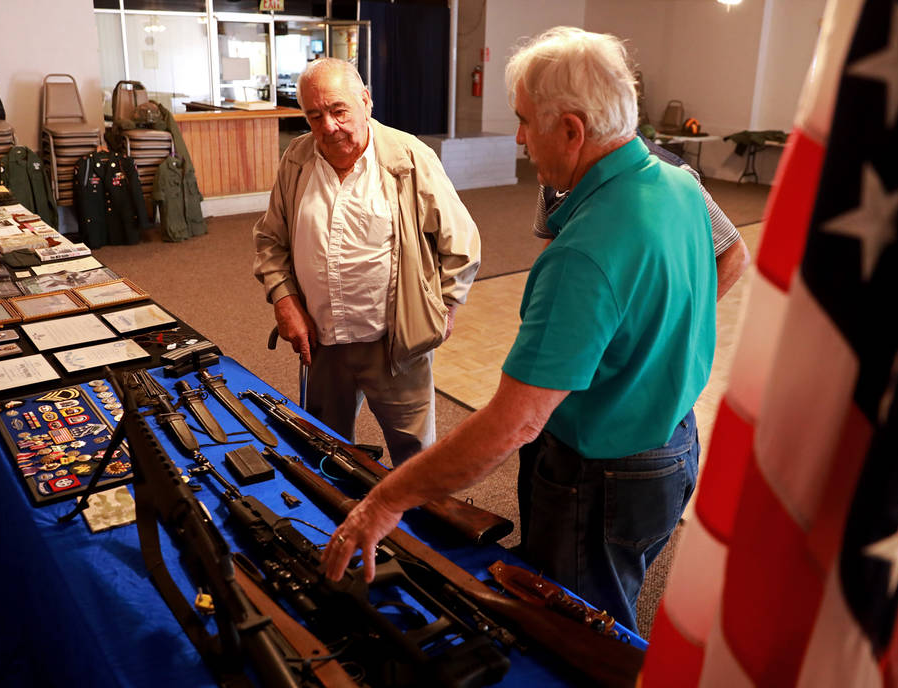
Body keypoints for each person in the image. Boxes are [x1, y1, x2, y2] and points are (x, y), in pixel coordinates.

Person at [321, 27, 718, 634]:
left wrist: (385, 500)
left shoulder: (584, 253)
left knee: (575, 632)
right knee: (616, 596)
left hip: (603, 474)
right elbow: (718, 267)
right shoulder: (680, 185)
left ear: (572, 130)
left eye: (525, 122)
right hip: (676, 445)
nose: (519, 139)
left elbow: (515, 423)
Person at [253, 58, 481, 466]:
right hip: (322, 343)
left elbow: (461, 242)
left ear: (365, 101)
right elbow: (271, 240)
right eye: (314, 115)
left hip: (394, 346)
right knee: (324, 452)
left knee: (415, 459)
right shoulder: (298, 158)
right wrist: (284, 300)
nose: (328, 126)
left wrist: (444, 309)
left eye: (338, 111)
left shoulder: (410, 157)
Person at [534, 136, 750, 300]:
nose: (520, 138)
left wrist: (692, 319)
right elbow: (552, 239)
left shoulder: (673, 178)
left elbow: (735, 253)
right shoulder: (555, 172)